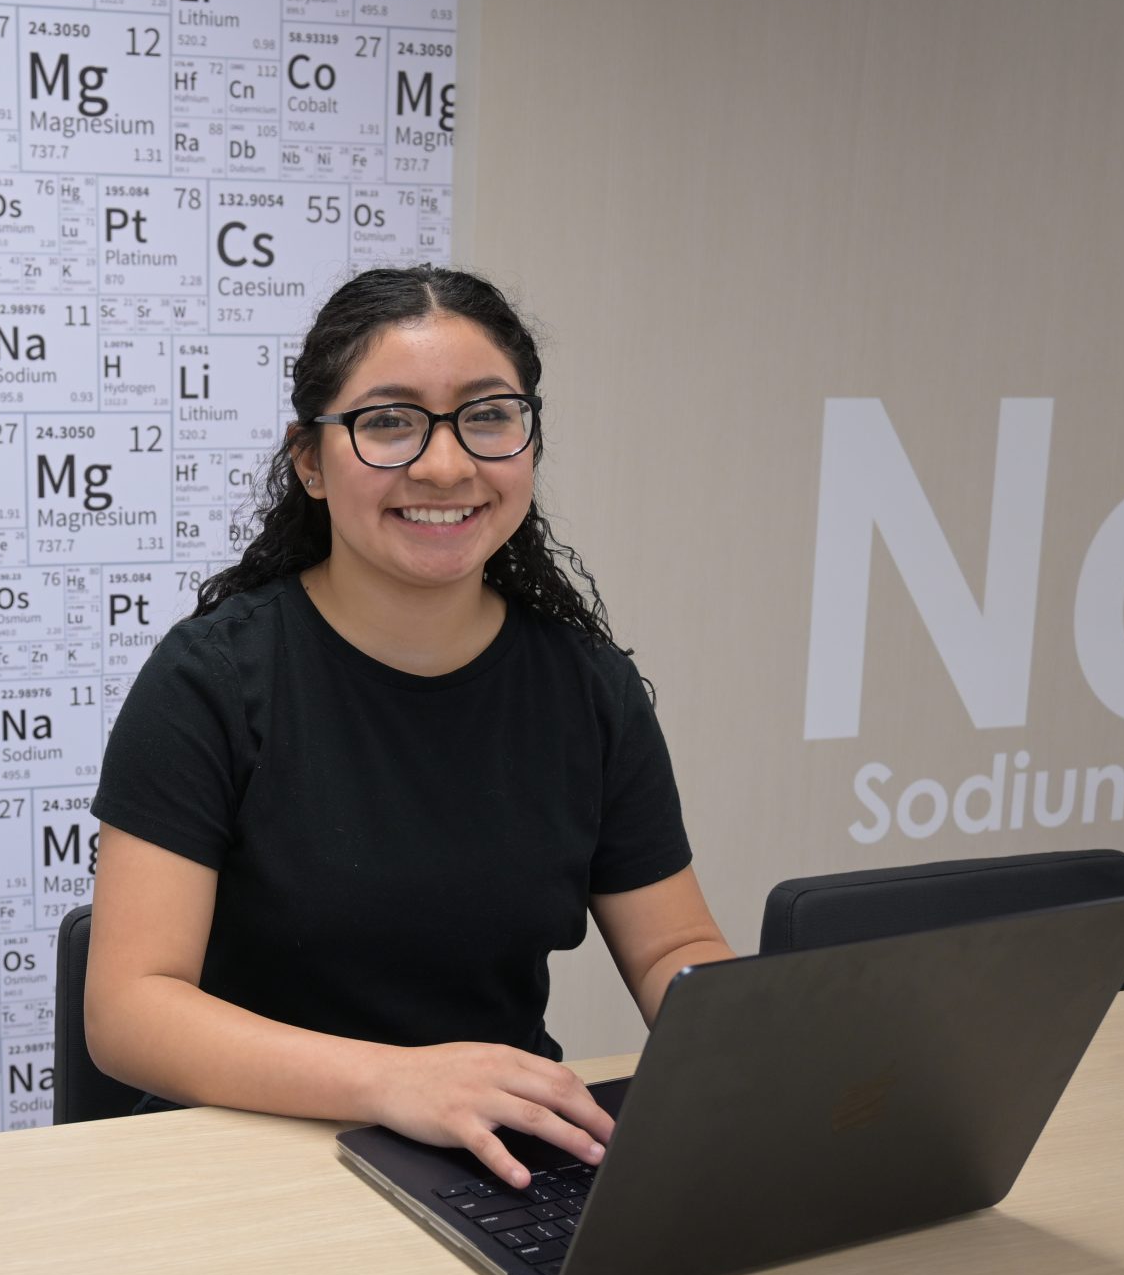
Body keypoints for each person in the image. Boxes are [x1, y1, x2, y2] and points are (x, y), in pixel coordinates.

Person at [85, 265, 733, 1189]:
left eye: (488, 415)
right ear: (310, 460)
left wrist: (778, 1060)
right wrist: (396, 1080)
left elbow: (676, 949)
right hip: (246, 1158)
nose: (446, 464)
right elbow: (129, 1010)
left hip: (495, 1162)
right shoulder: (212, 681)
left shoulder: (588, 689)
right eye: (389, 421)